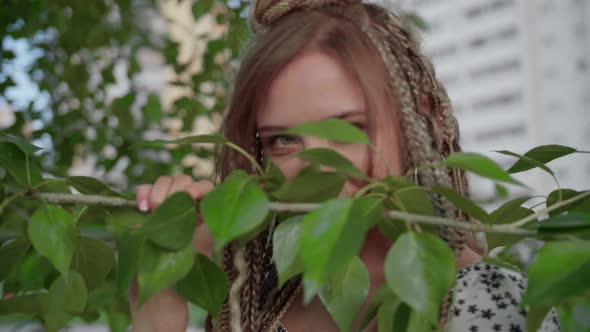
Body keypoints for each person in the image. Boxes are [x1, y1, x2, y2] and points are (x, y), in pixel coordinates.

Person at [130, 1, 561, 331]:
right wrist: (158, 304)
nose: (316, 169)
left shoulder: (495, 305)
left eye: (346, 131)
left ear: (419, 121)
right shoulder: (250, 305)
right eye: (283, 139)